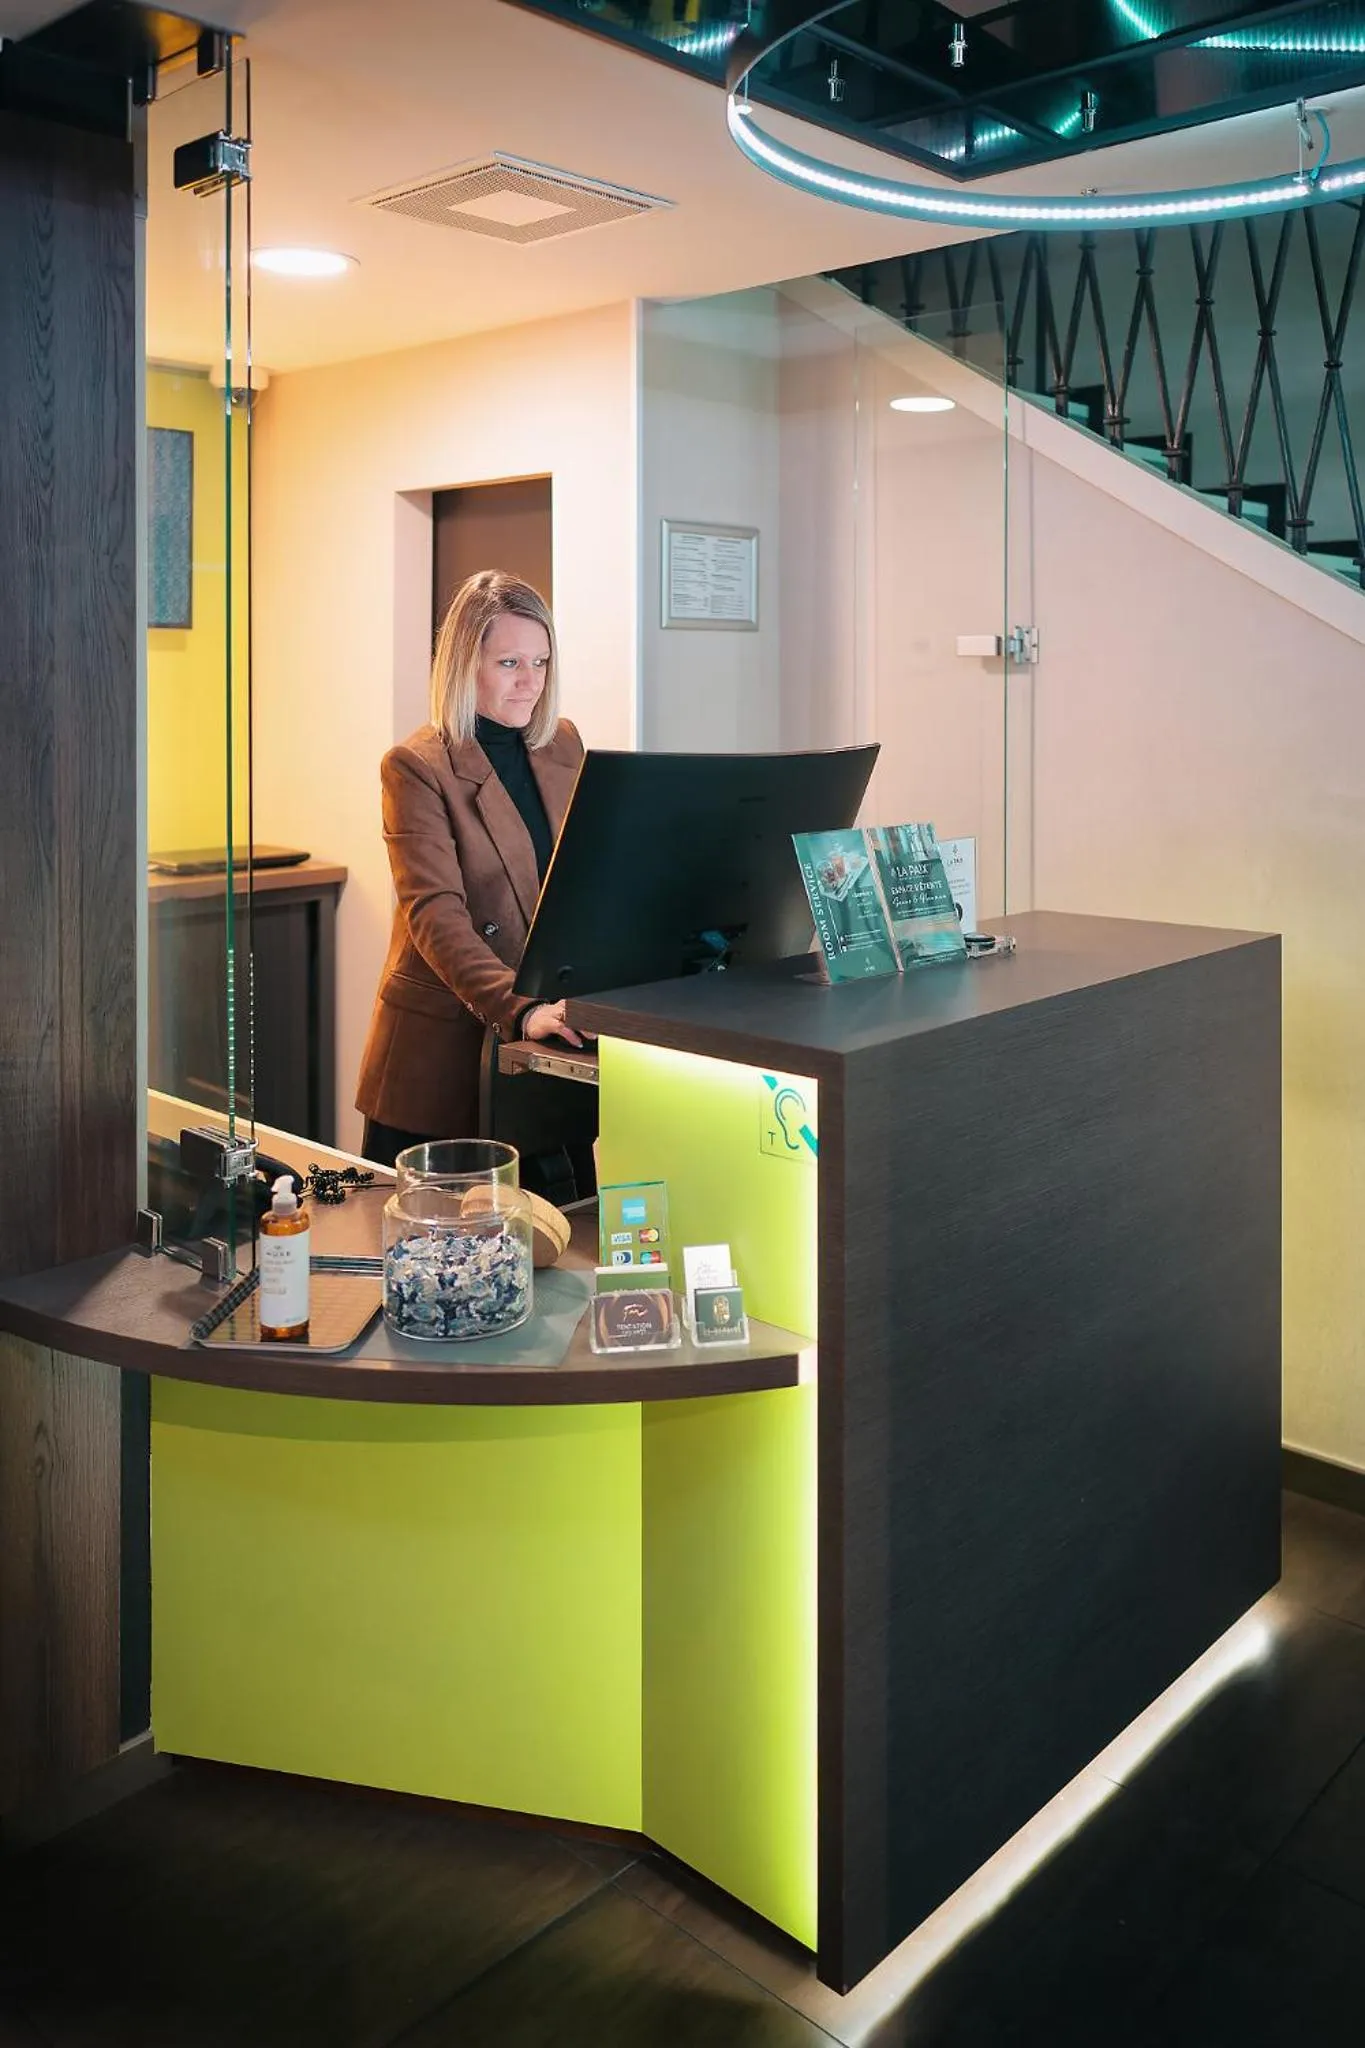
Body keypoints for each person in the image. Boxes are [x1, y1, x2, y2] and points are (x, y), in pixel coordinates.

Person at [356, 570, 586, 1168]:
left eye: (541, 661)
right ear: (465, 665)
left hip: (545, 1046)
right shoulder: (414, 766)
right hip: (442, 1060)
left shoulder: (561, 743)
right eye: (510, 662)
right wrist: (521, 1007)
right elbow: (435, 916)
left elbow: (582, 878)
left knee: (559, 1238)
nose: (531, 682)